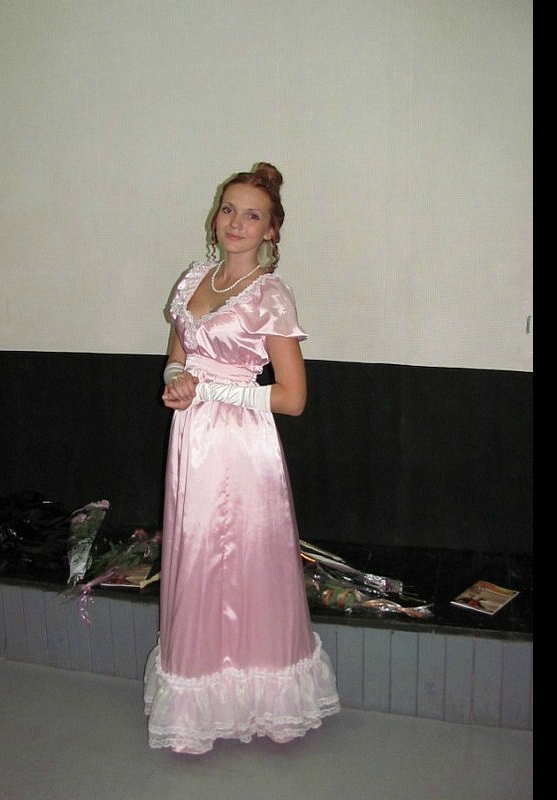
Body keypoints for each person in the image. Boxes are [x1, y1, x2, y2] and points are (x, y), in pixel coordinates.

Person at [143, 163, 340, 754]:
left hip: (241, 445)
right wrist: (177, 379)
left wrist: (211, 389)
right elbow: (177, 355)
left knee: (248, 563)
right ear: (216, 216)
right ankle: (202, 691)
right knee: (197, 561)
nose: (235, 222)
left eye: (251, 215)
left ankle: (262, 694)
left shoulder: (270, 295)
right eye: (228, 209)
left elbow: (293, 398)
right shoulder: (193, 279)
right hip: (192, 440)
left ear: (270, 230)